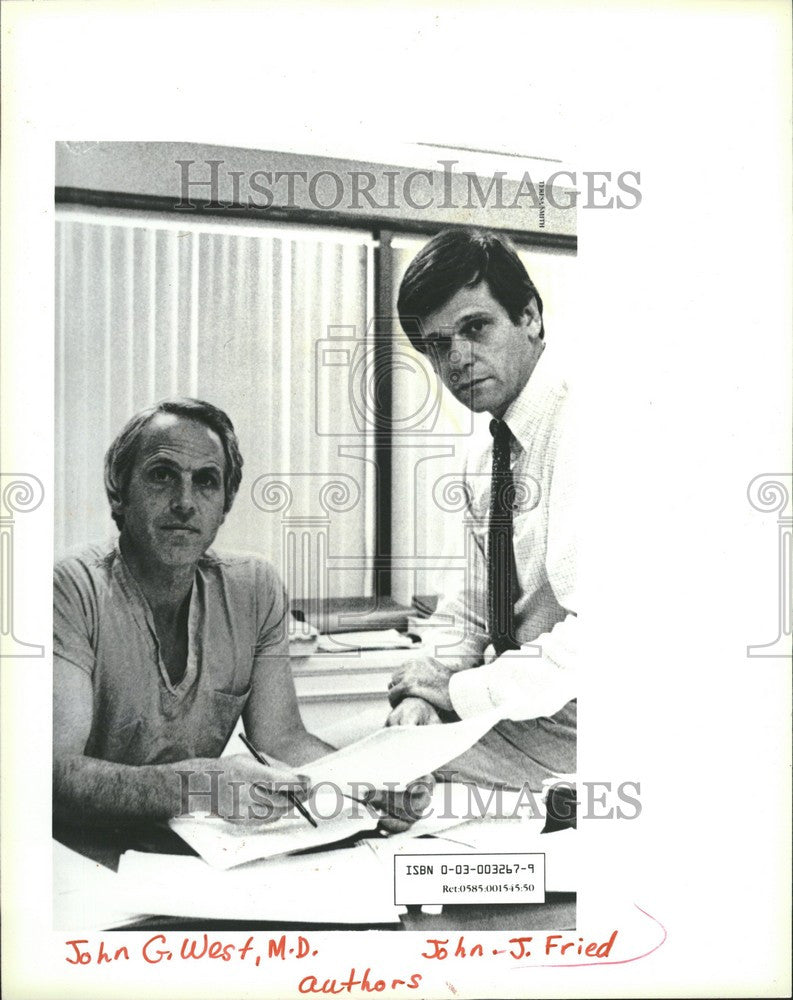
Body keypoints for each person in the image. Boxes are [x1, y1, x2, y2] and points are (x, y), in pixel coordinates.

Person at [54, 398, 429, 830]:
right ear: (118, 493)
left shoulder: (254, 588)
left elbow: (283, 740)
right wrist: (202, 785)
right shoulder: (70, 589)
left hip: (193, 845)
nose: (184, 502)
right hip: (81, 853)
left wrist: (372, 788)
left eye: (206, 482)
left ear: (225, 505)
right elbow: (55, 774)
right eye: (162, 476)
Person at [386, 228, 576, 791]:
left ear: (530, 318)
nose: (457, 360)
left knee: (369, 782)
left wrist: (457, 693)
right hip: (518, 710)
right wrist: (427, 688)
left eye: (475, 328)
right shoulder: (484, 457)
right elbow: (472, 610)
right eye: (438, 344)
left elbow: (603, 638)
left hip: (591, 722)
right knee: (359, 758)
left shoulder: (586, 426)